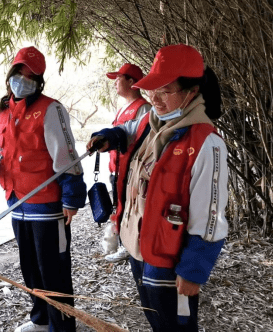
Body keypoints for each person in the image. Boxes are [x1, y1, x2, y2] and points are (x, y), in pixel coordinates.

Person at [87, 44, 228, 331]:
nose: (156, 100)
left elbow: (210, 216)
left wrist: (193, 269)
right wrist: (108, 136)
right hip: (141, 248)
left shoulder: (205, 143)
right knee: (156, 319)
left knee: (176, 327)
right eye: (153, 91)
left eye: (165, 92)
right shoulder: (154, 124)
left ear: (191, 92)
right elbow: (127, 133)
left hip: (172, 259)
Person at [0, 46, 86, 332]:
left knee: (54, 270)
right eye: (19, 73)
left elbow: (67, 158)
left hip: (46, 205)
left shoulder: (51, 109)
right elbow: (0, 152)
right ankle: (41, 318)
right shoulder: (3, 110)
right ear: (11, 74)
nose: (23, 80)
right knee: (30, 268)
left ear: (39, 81)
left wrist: (71, 198)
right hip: (16, 203)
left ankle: (62, 326)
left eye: (31, 77)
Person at [101, 63, 151, 263]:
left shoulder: (144, 108)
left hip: (132, 172)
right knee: (119, 206)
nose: (115, 82)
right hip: (118, 170)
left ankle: (132, 244)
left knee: (133, 208)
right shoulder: (122, 110)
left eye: (119, 78)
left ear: (132, 82)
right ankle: (124, 242)